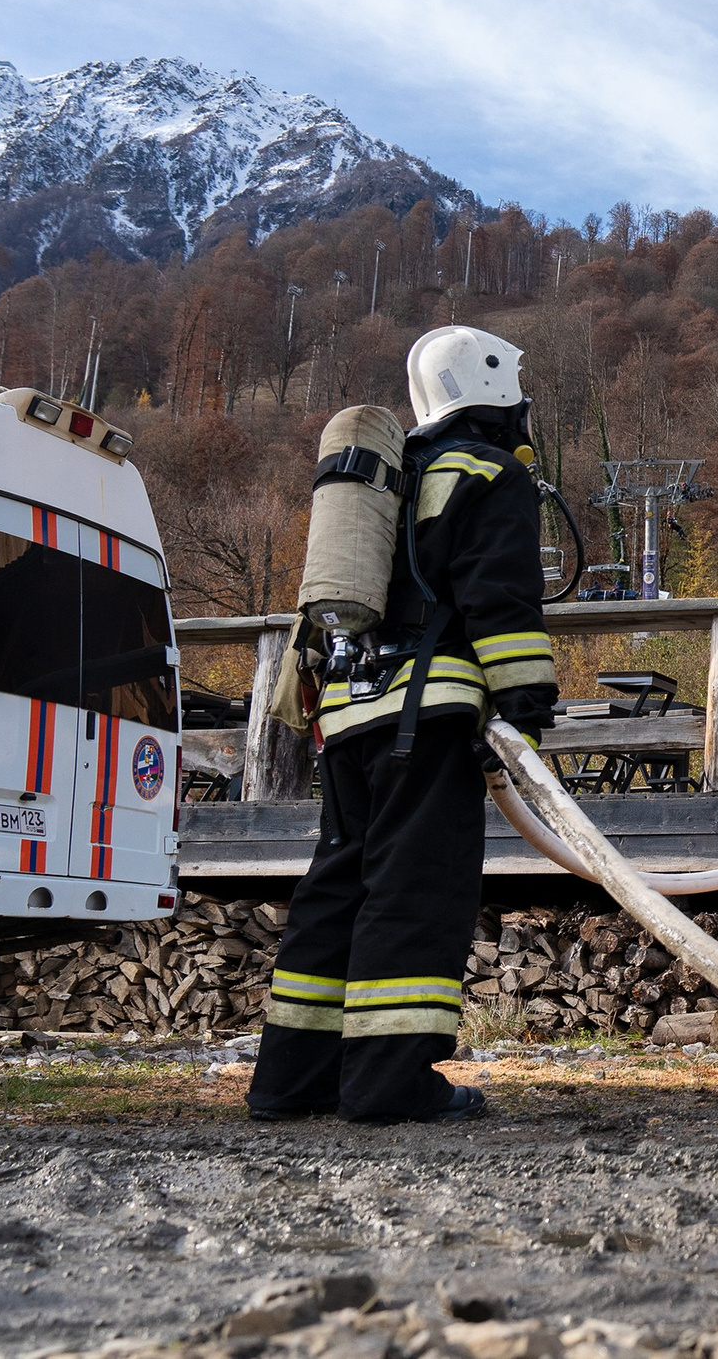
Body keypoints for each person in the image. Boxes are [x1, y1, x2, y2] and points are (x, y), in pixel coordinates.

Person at [248, 326, 559, 1123]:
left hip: (347, 715)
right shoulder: (487, 472)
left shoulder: (389, 474)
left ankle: (290, 1081)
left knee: (337, 886)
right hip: (426, 715)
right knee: (414, 889)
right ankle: (389, 1083)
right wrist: (527, 705)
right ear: (490, 383)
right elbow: (499, 600)